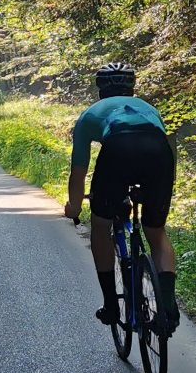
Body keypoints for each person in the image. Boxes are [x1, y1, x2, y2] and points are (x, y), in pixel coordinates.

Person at [64, 62, 179, 335]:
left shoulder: (90, 114)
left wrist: (74, 207)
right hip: (159, 153)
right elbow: (161, 144)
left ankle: (111, 306)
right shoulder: (149, 109)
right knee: (157, 232)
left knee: (101, 226)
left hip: (117, 150)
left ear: (100, 89)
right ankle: (168, 306)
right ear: (133, 88)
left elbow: (78, 172)